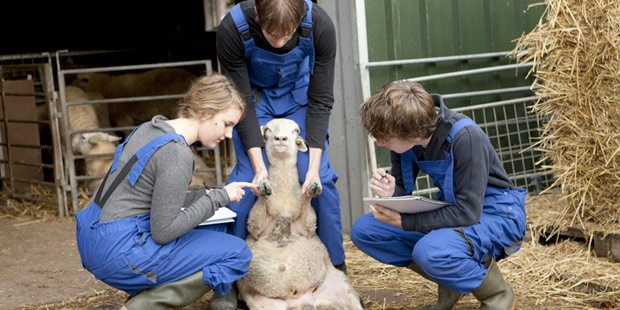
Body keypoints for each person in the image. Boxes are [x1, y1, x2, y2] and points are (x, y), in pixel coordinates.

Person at [75, 73, 257, 310]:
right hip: (120, 252)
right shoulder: (177, 153)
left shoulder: (150, 128)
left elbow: (153, 197)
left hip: (94, 236)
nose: (229, 134)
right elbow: (164, 231)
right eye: (226, 123)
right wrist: (219, 198)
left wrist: (209, 195)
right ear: (204, 113)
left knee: (216, 228)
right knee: (238, 253)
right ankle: (144, 305)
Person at [351, 81, 527, 309]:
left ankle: (498, 296)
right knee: (366, 231)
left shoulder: (465, 137)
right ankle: (453, 279)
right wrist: (391, 193)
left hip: (497, 213)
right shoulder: (406, 144)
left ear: (409, 132)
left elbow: (468, 211)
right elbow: (405, 190)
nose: (378, 141)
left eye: (383, 135)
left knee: (431, 251)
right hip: (454, 208)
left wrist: (406, 222)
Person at [215, 1, 344, 307]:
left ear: (300, 20)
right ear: (257, 15)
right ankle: (228, 284)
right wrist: (260, 170)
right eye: (272, 34)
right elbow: (241, 103)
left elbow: (321, 99)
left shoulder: (320, 25)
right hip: (254, 106)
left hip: (300, 102)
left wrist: (313, 169)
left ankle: (337, 272)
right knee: (246, 184)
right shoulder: (232, 29)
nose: (280, 41)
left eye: (288, 34)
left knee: (322, 182)